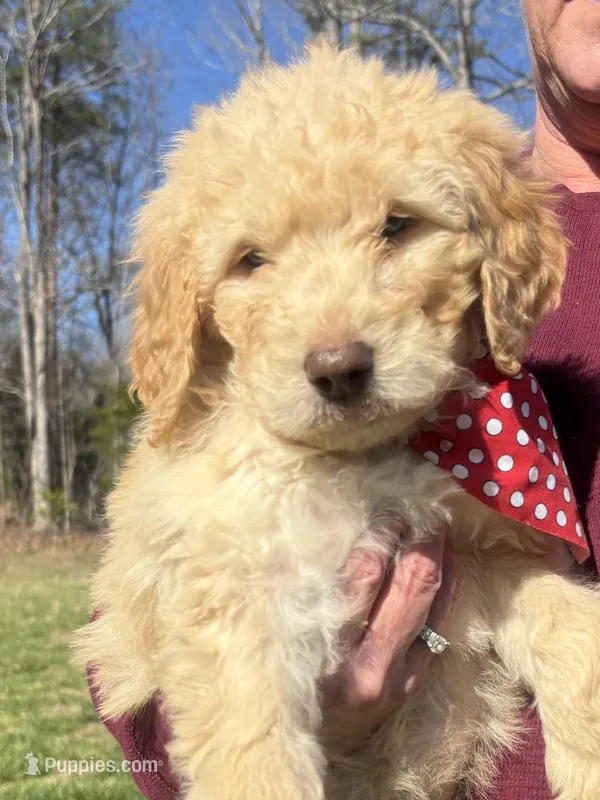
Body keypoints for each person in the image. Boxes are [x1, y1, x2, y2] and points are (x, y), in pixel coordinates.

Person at [88, 2, 600, 796]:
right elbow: (141, 666)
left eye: (395, 228)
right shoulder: (225, 469)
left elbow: (495, 574)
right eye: (252, 259)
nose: (335, 347)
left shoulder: (470, 410)